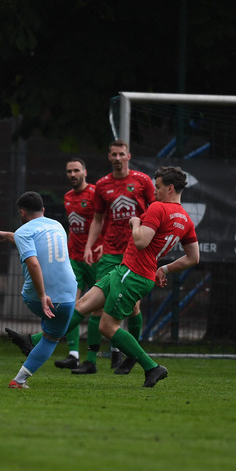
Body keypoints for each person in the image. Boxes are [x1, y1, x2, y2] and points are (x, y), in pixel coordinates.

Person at [62, 166, 199, 387]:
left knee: (107, 326)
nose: (154, 192)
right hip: (132, 271)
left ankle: (151, 367)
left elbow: (141, 241)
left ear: (170, 188)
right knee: (83, 304)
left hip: (132, 272)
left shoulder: (158, 207)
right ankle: (35, 342)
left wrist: (135, 222)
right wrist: (165, 269)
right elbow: (194, 258)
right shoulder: (185, 219)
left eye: (158, 187)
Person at [5, 159, 97, 370]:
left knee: (98, 311)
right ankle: (74, 354)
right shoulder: (67, 199)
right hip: (74, 257)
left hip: (96, 257)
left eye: (76, 170)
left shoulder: (96, 194)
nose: (72, 174)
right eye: (68, 171)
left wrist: (94, 245)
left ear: (85, 171)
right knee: (73, 305)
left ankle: (101, 357)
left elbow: (101, 220)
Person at [73, 140, 155, 375]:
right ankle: (90, 360)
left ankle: (131, 357)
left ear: (129, 156)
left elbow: (154, 212)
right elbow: (98, 219)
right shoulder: (102, 185)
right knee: (96, 305)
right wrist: (90, 245)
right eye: (114, 155)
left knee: (134, 308)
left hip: (134, 252)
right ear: (109, 157)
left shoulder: (142, 181)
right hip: (109, 252)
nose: (118, 158)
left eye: (122, 154)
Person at [0, 192, 79, 388]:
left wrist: (42, 295)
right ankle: (21, 374)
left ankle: (22, 367)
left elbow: (34, 263)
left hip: (36, 297)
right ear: (43, 210)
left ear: (22, 212)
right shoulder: (58, 225)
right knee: (52, 338)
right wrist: (7, 235)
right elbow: (39, 240)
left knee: (50, 336)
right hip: (69, 294)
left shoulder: (23, 232)